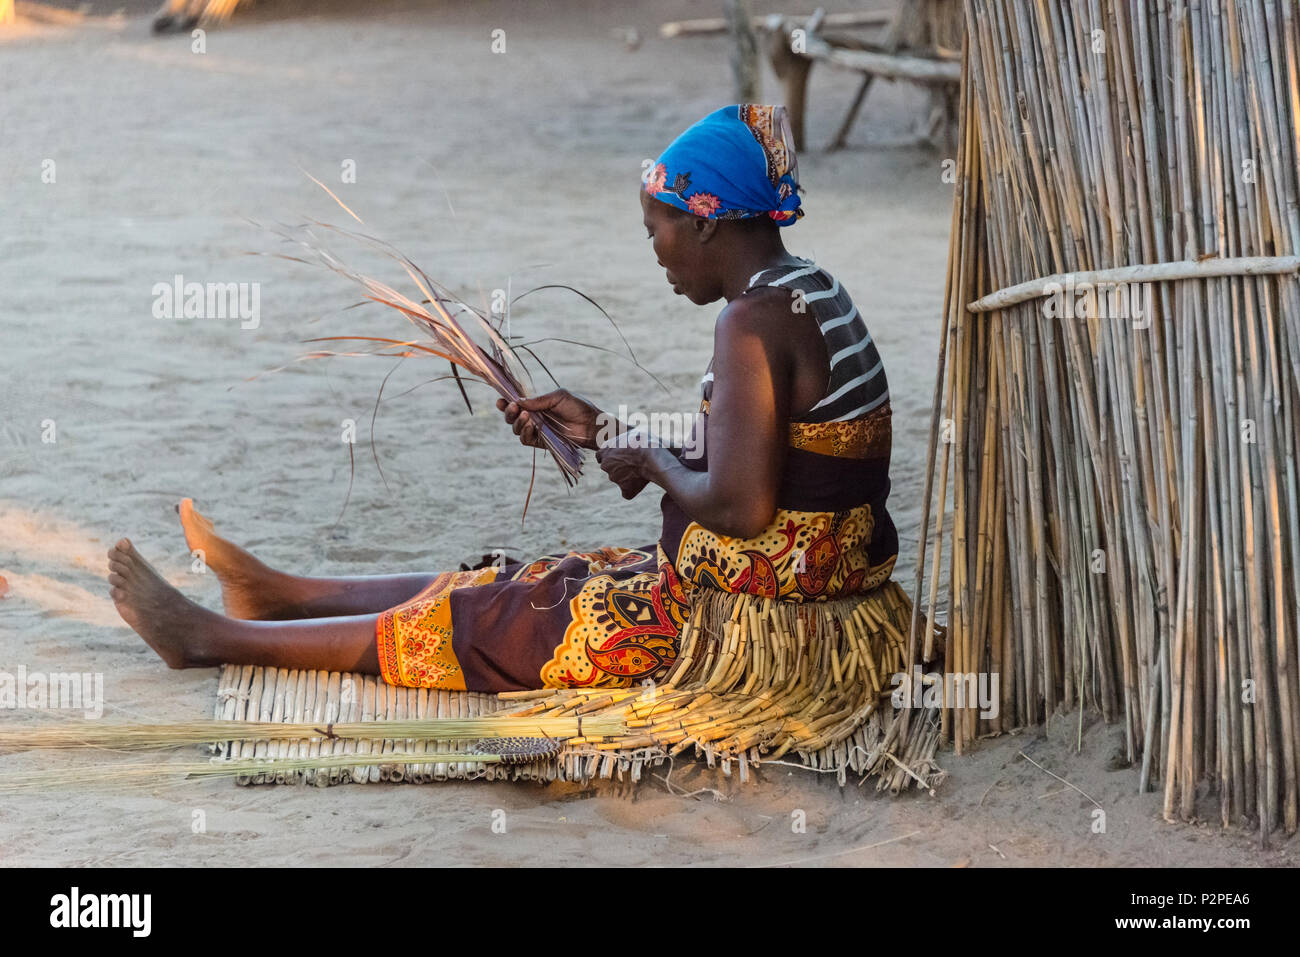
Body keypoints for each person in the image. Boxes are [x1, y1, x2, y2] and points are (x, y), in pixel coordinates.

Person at [108, 104, 899, 693]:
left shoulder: (750, 322)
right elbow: (760, 449)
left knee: (500, 622)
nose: (652, 249)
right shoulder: (803, 289)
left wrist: (652, 456)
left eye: (655, 226)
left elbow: (739, 506)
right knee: (532, 576)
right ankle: (279, 594)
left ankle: (210, 638)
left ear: (705, 223)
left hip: (759, 602)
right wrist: (607, 428)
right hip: (786, 572)